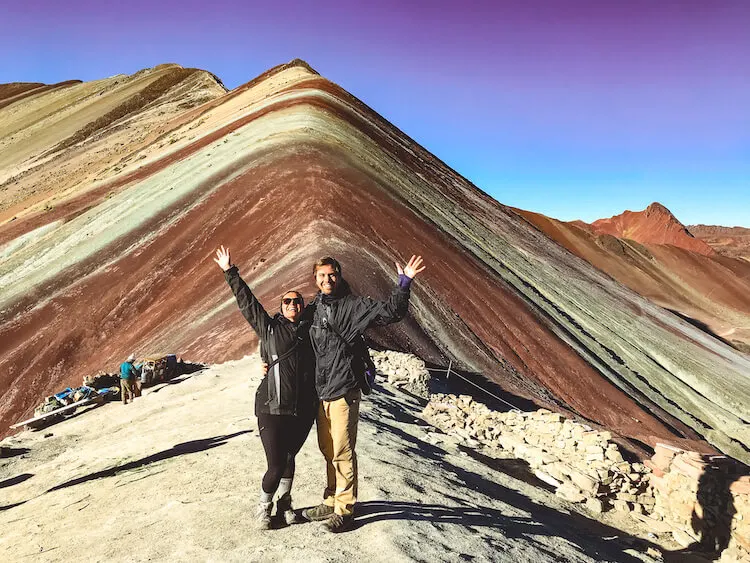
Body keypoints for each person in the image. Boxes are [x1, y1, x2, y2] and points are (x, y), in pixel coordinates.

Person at [302, 254, 425, 532]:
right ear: (315, 279)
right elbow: (296, 332)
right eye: (321, 276)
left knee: (343, 450)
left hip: (344, 388)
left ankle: (345, 510)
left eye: (331, 275)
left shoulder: (354, 306)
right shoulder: (316, 307)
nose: (327, 280)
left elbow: (391, 312)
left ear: (339, 275)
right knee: (327, 448)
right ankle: (332, 497)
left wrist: (404, 283)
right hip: (321, 390)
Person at [214, 245, 317, 530]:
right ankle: (263, 507)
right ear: (281, 306)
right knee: (275, 463)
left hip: (302, 410)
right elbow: (247, 303)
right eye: (287, 302)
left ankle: (285, 505)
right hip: (271, 407)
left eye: (297, 302)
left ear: (303, 306)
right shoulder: (269, 328)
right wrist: (229, 271)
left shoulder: (312, 331)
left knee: (289, 458)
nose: (292, 305)